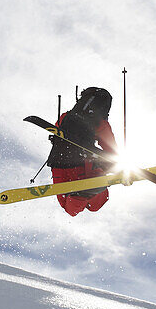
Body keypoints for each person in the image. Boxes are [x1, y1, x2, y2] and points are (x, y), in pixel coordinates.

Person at [48, 87, 119, 216]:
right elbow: (112, 150)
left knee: (70, 208)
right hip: (83, 165)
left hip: (58, 163)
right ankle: (87, 191)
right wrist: (117, 168)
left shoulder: (66, 116)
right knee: (95, 205)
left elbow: (55, 131)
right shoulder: (100, 122)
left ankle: (86, 191)